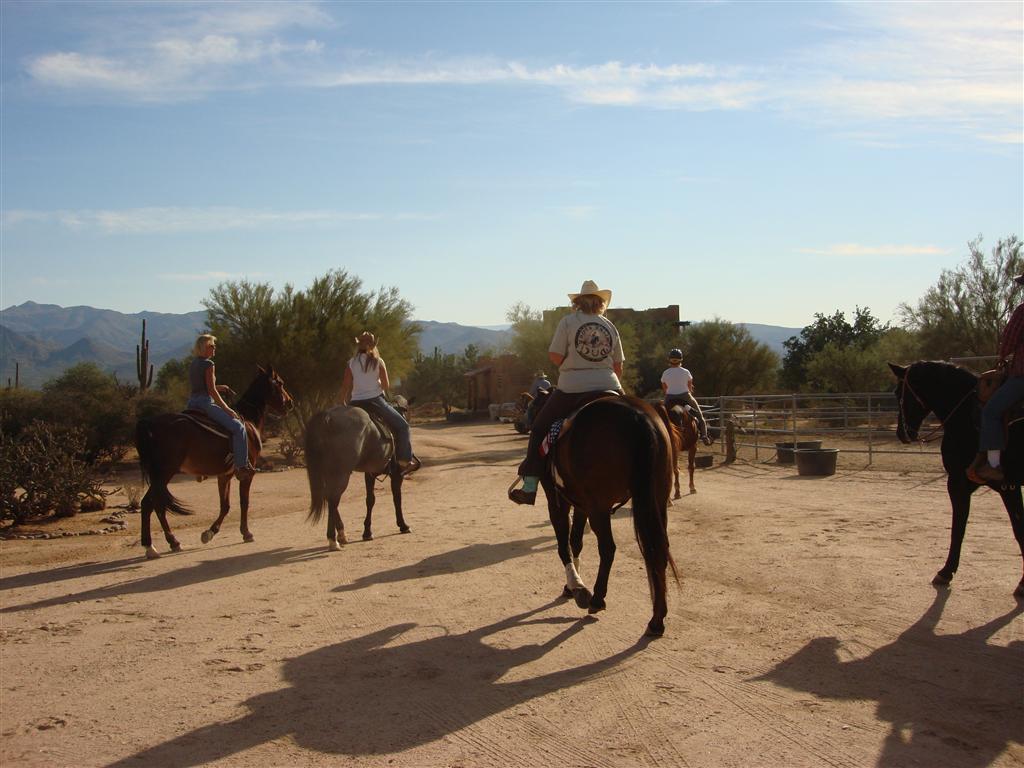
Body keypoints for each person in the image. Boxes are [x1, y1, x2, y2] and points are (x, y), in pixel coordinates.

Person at [509, 280, 624, 505]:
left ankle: (530, 485)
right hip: (609, 384)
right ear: (600, 303)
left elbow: (555, 356)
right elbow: (618, 366)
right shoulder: (609, 325)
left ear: (578, 302)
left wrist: (572, 363)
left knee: (539, 428)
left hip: (572, 387)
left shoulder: (568, 322)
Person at [968, 274, 1024, 484]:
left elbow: (1009, 341)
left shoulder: (1022, 311)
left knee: (991, 412)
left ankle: (993, 466)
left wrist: (1002, 357)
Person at [340, 331, 419, 474]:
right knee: (403, 426)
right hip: (375, 400)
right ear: (372, 346)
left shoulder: (351, 363)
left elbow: (345, 385)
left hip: (355, 402)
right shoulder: (378, 361)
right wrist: (374, 386)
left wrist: (342, 403)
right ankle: (404, 461)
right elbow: (386, 385)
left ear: (358, 345)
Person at [187, 334, 256, 480]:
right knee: (239, 428)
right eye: (212, 346)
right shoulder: (209, 364)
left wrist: (221, 387)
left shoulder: (194, 363)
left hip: (192, 403)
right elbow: (211, 391)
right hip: (205, 403)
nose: (214, 348)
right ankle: (241, 466)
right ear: (204, 347)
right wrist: (227, 409)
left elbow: (202, 387)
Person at [661, 348, 712, 445]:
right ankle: (704, 436)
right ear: (681, 359)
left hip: (670, 397)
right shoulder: (686, 372)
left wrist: (670, 393)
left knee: (661, 414)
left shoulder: (665, 373)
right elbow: (689, 387)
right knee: (700, 416)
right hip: (685, 396)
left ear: (669, 359)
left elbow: (664, 388)